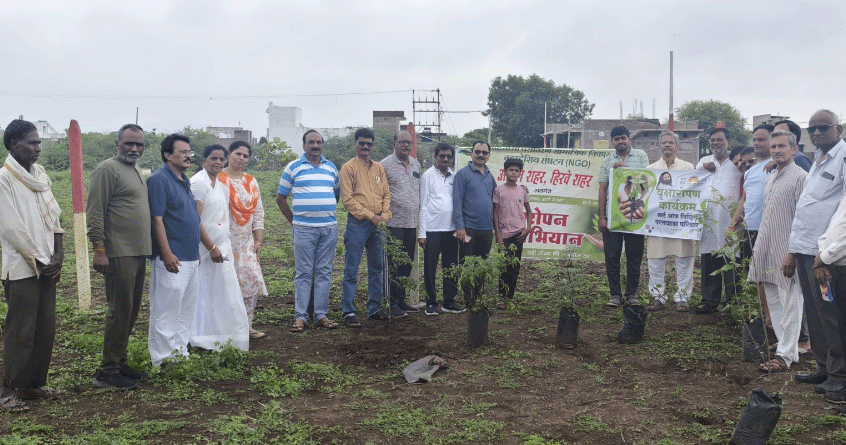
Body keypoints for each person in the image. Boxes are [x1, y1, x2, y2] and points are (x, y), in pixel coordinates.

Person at [0, 120, 64, 412]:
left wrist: (58, 255)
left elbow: (54, 217)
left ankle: (33, 385)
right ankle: (10, 390)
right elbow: (12, 228)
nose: (38, 147)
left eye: (39, 142)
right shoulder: (4, 179)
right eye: (32, 142)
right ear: (14, 145)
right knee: (21, 329)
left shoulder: (40, 175)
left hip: (48, 264)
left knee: (44, 327)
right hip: (23, 267)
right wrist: (39, 259)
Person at [783, 110, 846, 395]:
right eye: (813, 129)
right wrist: (794, 251)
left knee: (829, 312)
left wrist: (827, 254)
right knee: (815, 311)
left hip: (825, 259)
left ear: (839, 130)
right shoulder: (818, 161)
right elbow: (806, 210)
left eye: (824, 128)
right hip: (807, 253)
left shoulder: (843, 159)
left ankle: (839, 374)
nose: (818, 133)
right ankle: (823, 367)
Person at [87, 124, 151, 391]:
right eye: (129, 144)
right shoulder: (106, 169)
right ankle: (107, 372)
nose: (134, 149)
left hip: (137, 251)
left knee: (131, 311)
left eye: (139, 145)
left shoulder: (135, 169)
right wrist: (99, 249)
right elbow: (95, 212)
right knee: (119, 311)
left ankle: (119, 362)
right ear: (117, 143)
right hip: (118, 252)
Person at [147, 133, 214, 367]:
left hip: (190, 256)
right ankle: (162, 359)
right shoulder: (159, 180)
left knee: (185, 309)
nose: (188, 156)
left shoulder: (184, 180)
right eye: (182, 152)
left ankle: (179, 353)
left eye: (189, 152)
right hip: (172, 256)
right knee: (166, 309)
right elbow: (157, 220)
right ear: (167, 155)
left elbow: (192, 218)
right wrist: (166, 253)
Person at [749, 131, 806, 372]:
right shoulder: (771, 177)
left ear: (794, 149)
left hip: (787, 250)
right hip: (767, 246)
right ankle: (786, 348)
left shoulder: (801, 177)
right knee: (773, 298)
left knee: (791, 301)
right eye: (773, 146)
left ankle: (785, 356)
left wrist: (793, 252)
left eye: (782, 146)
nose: (776, 150)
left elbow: (803, 219)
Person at [277, 129, 340, 332]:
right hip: (304, 229)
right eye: (311, 142)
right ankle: (301, 317)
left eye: (319, 142)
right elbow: (280, 198)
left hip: (328, 228)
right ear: (304, 145)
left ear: (322, 145)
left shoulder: (331, 168)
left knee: (324, 272)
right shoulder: (293, 168)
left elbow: (336, 195)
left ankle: (320, 315)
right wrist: (294, 221)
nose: (315, 145)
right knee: (303, 273)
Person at [189, 145, 249, 352]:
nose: (217, 162)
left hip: (221, 245)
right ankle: (199, 336)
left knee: (222, 290)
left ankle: (221, 334)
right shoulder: (198, 183)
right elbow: (195, 220)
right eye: (213, 158)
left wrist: (222, 245)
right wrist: (211, 247)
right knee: (202, 292)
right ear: (204, 160)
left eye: (221, 159)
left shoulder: (220, 185)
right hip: (205, 248)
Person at [340, 128, 392, 326]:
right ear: (355, 144)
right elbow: (348, 199)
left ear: (373, 146)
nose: (365, 147)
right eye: (362, 143)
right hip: (358, 224)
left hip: (378, 225)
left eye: (369, 143)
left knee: (376, 268)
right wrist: (371, 216)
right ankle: (349, 312)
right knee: (351, 269)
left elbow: (386, 193)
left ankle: (374, 308)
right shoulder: (348, 168)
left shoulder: (378, 168)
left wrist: (384, 215)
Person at [219, 141, 268, 339]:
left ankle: (247, 326)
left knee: (251, 281)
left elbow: (258, 212)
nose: (241, 158)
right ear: (229, 154)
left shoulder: (250, 180)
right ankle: (227, 328)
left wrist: (258, 241)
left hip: (246, 242)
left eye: (245, 156)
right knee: (226, 283)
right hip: (224, 241)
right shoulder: (219, 179)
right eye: (237, 153)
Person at [597, 126, 649, 307]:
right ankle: (615, 295)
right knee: (612, 256)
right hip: (613, 215)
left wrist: (624, 170)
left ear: (629, 140)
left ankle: (631, 294)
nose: (621, 141)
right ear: (612, 142)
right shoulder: (606, 161)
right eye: (617, 139)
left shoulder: (641, 156)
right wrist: (602, 217)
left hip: (636, 213)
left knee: (634, 257)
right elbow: (603, 189)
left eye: (623, 138)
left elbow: (645, 181)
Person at [695, 128, 743, 314]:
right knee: (709, 260)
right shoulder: (703, 162)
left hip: (732, 222)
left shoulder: (737, 163)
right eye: (712, 140)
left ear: (728, 142)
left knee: (732, 260)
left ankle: (732, 302)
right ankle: (710, 300)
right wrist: (702, 169)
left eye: (720, 140)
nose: (716, 143)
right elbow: (691, 180)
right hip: (708, 223)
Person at [645, 132, 695, 312]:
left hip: (681, 222)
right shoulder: (651, 169)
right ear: (659, 147)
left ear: (677, 146)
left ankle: (682, 298)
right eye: (664, 143)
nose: (667, 145)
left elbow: (696, 193)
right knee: (656, 260)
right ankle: (658, 297)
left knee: (684, 260)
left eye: (671, 142)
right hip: (657, 222)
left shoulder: (688, 167)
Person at [453, 140, 498, 311]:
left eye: (484, 152)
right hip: (468, 228)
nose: (480, 155)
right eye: (477, 151)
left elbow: (494, 201)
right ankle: (468, 300)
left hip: (486, 229)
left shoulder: (489, 175)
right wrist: (460, 227)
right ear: (471, 153)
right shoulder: (462, 174)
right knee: (467, 264)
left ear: (488, 156)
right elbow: (457, 202)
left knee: (481, 264)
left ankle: (476, 296)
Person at [381, 130, 421, 318]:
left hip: (411, 223)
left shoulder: (416, 164)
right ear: (394, 144)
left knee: (406, 263)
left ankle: (401, 299)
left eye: (409, 142)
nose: (406, 145)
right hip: (393, 223)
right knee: (393, 263)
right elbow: (379, 193)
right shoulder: (384, 166)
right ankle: (391, 302)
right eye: (402, 142)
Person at [419, 142, 459, 316]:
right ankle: (430, 303)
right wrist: (422, 233)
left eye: (449, 156)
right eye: (442, 156)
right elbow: (423, 205)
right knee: (430, 267)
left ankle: (448, 302)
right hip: (432, 229)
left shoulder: (454, 176)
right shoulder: (427, 176)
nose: (445, 159)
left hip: (451, 230)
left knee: (451, 266)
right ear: (435, 157)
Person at [493, 158, 532, 309]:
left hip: (519, 233)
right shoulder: (498, 190)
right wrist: (498, 235)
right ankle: (501, 298)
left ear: (520, 173)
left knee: (515, 266)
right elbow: (495, 213)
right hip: (504, 235)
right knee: (503, 266)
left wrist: (528, 228)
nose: (514, 173)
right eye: (511, 170)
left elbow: (529, 211)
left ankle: (510, 297)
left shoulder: (522, 191)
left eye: (517, 170)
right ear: (505, 172)